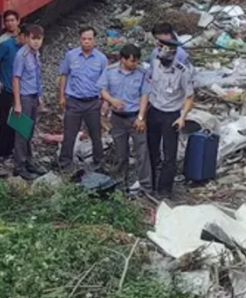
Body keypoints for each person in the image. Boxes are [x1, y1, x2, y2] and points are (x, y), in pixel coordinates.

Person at [147, 37, 195, 198]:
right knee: (151, 150)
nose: (164, 57)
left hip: (171, 115)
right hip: (154, 111)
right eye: (162, 52)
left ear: (174, 54)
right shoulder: (154, 65)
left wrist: (182, 117)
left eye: (168, 53)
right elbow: (147, 83)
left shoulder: (183, 72)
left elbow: (189, 97)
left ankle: (165, 189)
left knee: (169, 154)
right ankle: (151, 183)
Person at [98, 44, 151, 191]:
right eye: (132, 61)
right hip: (117, 118)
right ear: (123, 59)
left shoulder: (142, 73)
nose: (134, 64)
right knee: (121, 152)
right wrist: (112, 101)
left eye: (136, 61)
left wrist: (141, 117)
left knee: (142, 152)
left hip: (135, 117)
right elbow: (103, 90)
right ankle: (122, 181)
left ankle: (145, 183)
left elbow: (145, 95)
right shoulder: (110, 71)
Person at [58, 27, 109, 170]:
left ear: (94, 40)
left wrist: (105, 102)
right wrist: (61, 96)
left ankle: (99, 162)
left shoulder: (101, 59)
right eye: (84, 39)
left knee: (95, 134)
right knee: (69, 134)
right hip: (73, 101)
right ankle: (65, 163)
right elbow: (63, 76)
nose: (87, 42)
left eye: (90, 39)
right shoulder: (70, 56)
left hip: (93, 102)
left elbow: (106, 82)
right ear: (80, 39)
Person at [12, 24, 48, 180]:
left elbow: (36, 77)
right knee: (21, 132)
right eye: (33, 39)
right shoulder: (22, 55)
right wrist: (18, 103)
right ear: (26, 38)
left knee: (29, 131)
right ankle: (19, 166)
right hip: (24, 98)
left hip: (33, 96)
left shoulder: (36, 53)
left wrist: (39, 98)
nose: (36, 42)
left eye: (39, 39)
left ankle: (28, 160)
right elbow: (16, 79)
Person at [0, 26, 28, 165]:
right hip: (6, 89)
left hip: (22, 91)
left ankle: (15, 152)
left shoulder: (28, 50)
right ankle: (1, 154)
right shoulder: (7, 45)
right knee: (5, 122)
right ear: (22, 35)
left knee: (19, 122)